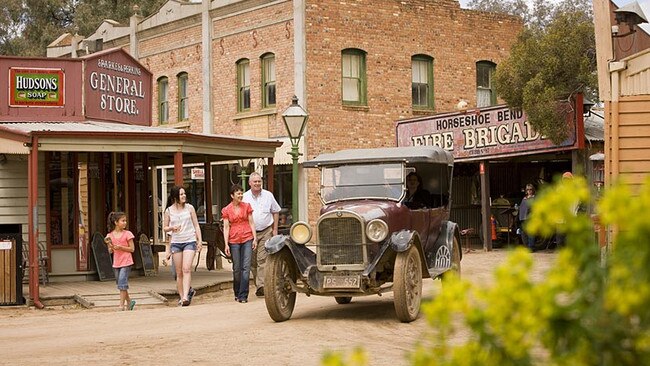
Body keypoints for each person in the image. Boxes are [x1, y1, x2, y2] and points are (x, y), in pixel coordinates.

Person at [163, 185, 203, 307]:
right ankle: (181, 296)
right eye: (181, 194)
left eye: (184, 193)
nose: (184, 196)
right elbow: (165, 228)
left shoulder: (190, 208)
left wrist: (199, 240)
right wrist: (171, 228)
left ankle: (186, 296)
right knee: (179, 272)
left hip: (189, 240)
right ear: (175, 197)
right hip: (176, 243)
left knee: (186, 269)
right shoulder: (169, 211)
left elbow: (196, 225)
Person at [243, 172, 280, 297]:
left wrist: (275, 230)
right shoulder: (244, 197)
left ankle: (261, 286)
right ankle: (258, 282)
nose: (258, 184)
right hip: (250, 233)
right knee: (252, 261)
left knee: (262, 259)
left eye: (259, 181)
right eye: (255, 182)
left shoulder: (268, 195)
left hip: (266, 231)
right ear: (250, 183)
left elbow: (276, 211)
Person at [222, 184, 257, 303]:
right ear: (232, 195)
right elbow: (226, 227)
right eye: (238, 193)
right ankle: (237, 291)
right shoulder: (226, 209)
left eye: (241, 193)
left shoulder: (247, 206)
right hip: (234, 239)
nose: (240, 195)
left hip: (247, 237)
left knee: (245, 267)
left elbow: (252, 223)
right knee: (236, 268)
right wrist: (226, 244)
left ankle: (243, 295)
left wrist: (255, 238)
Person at [105, 211, 136, 311]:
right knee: (121, 284)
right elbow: (110, 251)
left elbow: (132, 249)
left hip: (126, 261)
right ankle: (130, 302)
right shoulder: (110, 235)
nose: (125, 223)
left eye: (125, 221)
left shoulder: (128, 234)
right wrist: (110, 246)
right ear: (116, 222)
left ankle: (121, 305)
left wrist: (121, 247)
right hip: (116, 262)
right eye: (123, 221)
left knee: (122, 282)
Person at [518, 183, 536, 251]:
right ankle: (526, 246)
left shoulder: (534, 198)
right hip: (523, 218)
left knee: (531, 233)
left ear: (533, 190)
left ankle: (531, 247)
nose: (529, 191)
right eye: (528, 189)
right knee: (523, 233)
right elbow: (521, 208)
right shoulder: (524, 199)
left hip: (530, 218)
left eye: (530, 189)